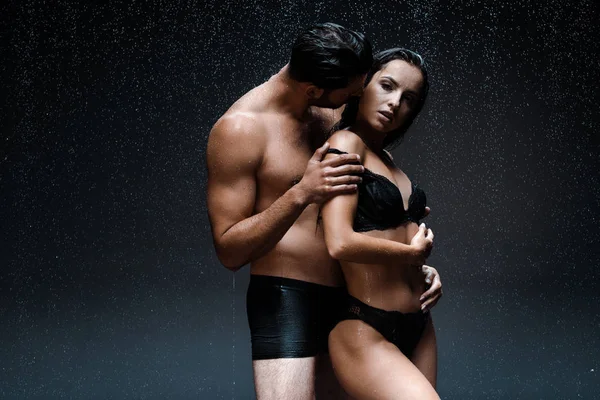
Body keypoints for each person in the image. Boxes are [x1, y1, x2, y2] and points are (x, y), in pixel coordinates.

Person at [207, 23, 443, 399]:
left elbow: (370, 214)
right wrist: (299, 194)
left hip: (353, 302)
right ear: (314, 90)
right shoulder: (241, 130)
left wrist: (410, 264)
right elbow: (228, 250)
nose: (357, 97)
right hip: (289, 298)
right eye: (351, 92)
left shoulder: (336, 116)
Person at [321, 48, 440, 399]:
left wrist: (427, 270)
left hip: (419, 324)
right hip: (365, 325)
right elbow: (339, 242)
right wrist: (411, 256)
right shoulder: (345, 144)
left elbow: (396, 238)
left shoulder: (389, 162)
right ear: (363, 85)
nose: (394, 103)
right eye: (387, 86)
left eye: (408, 99)